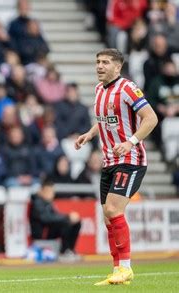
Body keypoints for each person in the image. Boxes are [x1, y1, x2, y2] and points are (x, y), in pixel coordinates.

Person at [75, 48, 158, 286]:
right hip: (109, 161)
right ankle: (116, 270)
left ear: (117, 67)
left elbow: (150, 118)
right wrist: (90, 134)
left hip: (130, 160)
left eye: (105, 62)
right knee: (108, 219)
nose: (100, 66)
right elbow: (103, 121)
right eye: (98, 62)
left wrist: (131, 142)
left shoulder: (128, 88)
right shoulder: (99, 90)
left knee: (113, 209)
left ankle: (126, 268)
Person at [29, 177, 81, 262]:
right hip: (42, 233)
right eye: (48, 192)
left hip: (48, 229)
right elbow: (45, 218)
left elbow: (55, 215)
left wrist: (68, 217)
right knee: (66, 223)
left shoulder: (48, 203)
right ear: (41, 191)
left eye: (52, 192)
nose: (51, 194)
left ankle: (69, 250)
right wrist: (67, 217)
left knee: (75, 222)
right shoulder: (37, 202)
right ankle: (63, 252)